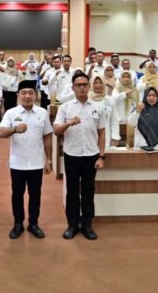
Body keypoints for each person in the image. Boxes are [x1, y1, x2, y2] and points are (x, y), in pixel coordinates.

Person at [53, 72, 106, 241]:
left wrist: (101, 156)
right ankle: (72, 225)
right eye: (78, 85)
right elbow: (56, 130)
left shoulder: (97, 107)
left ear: (89, 87)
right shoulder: (65, 108)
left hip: (91, 155)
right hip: (72, 155)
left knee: (88, 191)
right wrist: (68, 123)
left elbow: (102, 132)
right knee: (72, 191)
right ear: (73, 87)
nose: (82, 87)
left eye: (84, 84)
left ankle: (87, 225)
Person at [0, 80, 53, 239]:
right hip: (18, 163)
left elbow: (47, 136)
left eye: (30, 93)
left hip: (36, 162)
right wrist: (15, 129)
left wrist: (49, 160)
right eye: (23, 93)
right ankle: (18, 224)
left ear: (35, 95)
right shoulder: (11, 113)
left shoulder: (42, 113)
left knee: (35, 194)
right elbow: (1, 132)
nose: (27, 96)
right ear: (18, 95)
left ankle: (33, 224)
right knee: (17, 194)